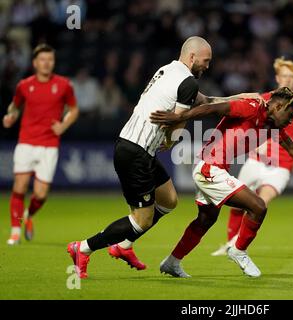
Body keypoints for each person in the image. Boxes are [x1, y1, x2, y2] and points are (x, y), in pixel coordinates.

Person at [66, 36, 262, 279]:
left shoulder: (168, 70)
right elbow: (178, 121)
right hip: (135, 151)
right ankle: (82, 248)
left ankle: (124, 246)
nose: (207, 66)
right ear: (192, 57)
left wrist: (243, 97)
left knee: (168, 200)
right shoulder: (187, 83)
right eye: (205, 61)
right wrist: (170, 140)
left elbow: (208, 101)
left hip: (139, 148)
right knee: (142, 220)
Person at [150, 86, 293, 278]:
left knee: (205, 220)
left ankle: (172, 263)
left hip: (213, 169)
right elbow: (212, 108)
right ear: (278, 107)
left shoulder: (271, 127)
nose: (290, 122)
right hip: (209, 169)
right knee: (258, 207)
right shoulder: (251, 107)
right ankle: (239, 251)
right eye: (289, 116)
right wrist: (179, 117)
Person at [210, 57, 293, 256]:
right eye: (284, 76)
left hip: (281, 165)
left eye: (292, 77)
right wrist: (256, 143)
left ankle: (235, 246)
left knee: (261, 202)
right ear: (277, 78)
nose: (288, 80)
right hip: (256, 160)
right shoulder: (265, 99)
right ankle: (230, 243)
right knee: (237, 204)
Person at [2, 44, 79, 245]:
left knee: (41, 194)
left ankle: (28, 215)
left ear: (53, 62)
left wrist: (63, 125)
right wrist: (10, 116)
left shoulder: (63, 85)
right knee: (19, 187)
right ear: (35, 63)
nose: (46, 63)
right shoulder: (24, 85)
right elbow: (15, 106)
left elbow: (74, 109)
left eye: (50, 59)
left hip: (49, 145)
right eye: (42, 60)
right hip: (26, 142)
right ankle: (15, 231)